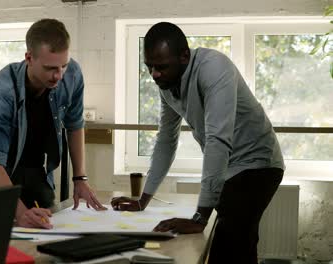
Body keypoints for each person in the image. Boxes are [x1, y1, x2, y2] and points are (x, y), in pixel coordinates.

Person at [111, 22, 285, 263]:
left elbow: (217, 141)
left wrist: (199, 218)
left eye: (161, 66)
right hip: (228, 168)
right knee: (239, 245)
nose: (154, 74)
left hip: (258, 165)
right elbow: (165, 141)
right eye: (149, 66)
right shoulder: (167, 85)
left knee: (227, 244)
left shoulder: (213, 67)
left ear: (184, 56)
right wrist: (144, 199)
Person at [0, 18, 106, 229]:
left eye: (64, 66)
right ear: (29, 58)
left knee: (48, 232)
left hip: (35, 171)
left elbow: (75, 124)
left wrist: (80, 178)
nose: (59, 76)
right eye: (50, 68)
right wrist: (21, 213)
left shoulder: (72, 75)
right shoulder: (1, 91)